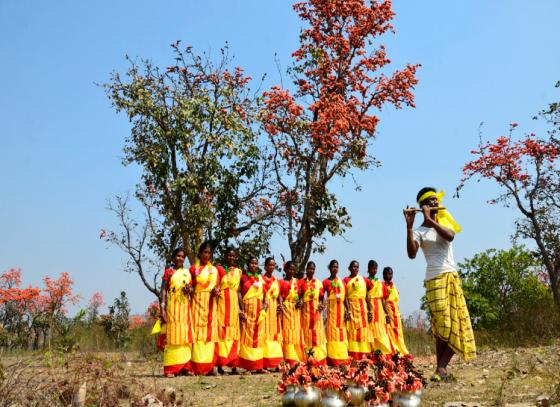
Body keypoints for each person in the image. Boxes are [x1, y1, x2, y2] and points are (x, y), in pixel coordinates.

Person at [404, 187, 476, 381]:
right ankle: (441, 368)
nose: (436, 203)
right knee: (442, 325)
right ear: (423, 206)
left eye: (436, 200)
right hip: (434, 280)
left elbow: (450, 236)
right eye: (431, 201)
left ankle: (440, 368)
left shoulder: (444, 224)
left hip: (451, 276)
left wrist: (432, 222)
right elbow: (411, 254)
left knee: (458, 323)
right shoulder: (419, 231)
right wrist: (410, 227)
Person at [189, 242, 223, 375]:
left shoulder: (214, 271)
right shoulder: (193, 269)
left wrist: (216, 292)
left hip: (211, 304)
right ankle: (196, 367)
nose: (207, 255)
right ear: (200, 253)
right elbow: (190, 286)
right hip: (197, 303)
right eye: (205, 252)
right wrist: (190, 290)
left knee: (210, 334)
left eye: (209, 253)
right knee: (197, 333)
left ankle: (210, 367)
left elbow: (217, 287)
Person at [160, 248, 194, 377]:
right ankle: (171, 369)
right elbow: (163, 290)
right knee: (173, 336)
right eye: (178, 256)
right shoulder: (168, 272)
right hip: (173, 307)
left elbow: (192, 291)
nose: (180, 258)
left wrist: (189, 290)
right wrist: (162, 307)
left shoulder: (187, 273)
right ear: (174, 257)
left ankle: (185, 367)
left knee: (185, 336)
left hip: (185, 307)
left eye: (182, 256)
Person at [238, 256, 268, 372]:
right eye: (252, 263)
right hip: (247, 310)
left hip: (259, 312)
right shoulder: (243, 278)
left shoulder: (260, 279)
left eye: (256, 263)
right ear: (248, 265)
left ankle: (259, 366)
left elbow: (265, 296)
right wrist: (241, 309)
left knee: (259, 337)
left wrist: (265, 305)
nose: (254, 265)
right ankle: (247, 367)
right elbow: (239, 293)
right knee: (247, 337)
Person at [216, 247, 242, 374]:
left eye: (234, 256)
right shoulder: (219, 269)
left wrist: (241, 309)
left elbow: (239, 292)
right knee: (222, 332)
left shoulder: (238, 272)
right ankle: (220, 366)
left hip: (234, 305)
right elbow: (215, 287)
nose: (231, 258)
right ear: (225, 256)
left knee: (234, 333)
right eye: (229, 255)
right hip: (222, 304)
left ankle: (234, 366)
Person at [343, 260, 373, 360]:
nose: (355, 268)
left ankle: (364, 354)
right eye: (353, 267)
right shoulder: (345, 280)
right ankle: (353, 355)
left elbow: (368, 295)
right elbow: (345, 296)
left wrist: (370, 309)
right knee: (352, 331)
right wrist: (347, 310)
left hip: (362, 307)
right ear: (349, 268)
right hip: (351, 307)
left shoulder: (364, 279)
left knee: (363, 330)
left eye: (357, 267)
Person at [300, 261, 327, 365]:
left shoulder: (318, 283)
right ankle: (308, 358)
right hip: (305, 313)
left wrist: (322, 305)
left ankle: (319, 358)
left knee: (318, 334)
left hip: (317, 313)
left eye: (313, 269)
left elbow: (322, 298)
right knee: (306, 334)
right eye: (309, 268)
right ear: (306, 269)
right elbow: (300, 296)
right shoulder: (301, 282)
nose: (311, 270)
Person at [322, 260, 349, 366]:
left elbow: (345, 297)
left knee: (341, 333)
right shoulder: (325, 282)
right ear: (329, 268)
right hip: (331, 311)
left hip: (341, 311)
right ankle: (332, 358)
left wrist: (348, 310)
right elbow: (321, 296)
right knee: (332, 333)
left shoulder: (342, 282)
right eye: (333, 267)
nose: (335, 269)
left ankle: (342, 357)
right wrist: (322, 305)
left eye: (336, 267)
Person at [280, 261, 305, 366]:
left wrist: (301, 301)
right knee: (287, 333)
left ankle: (297, 357)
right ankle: (288, 358)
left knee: (296, 333)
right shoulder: (281, 282)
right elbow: (280, 295)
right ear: (285, 270)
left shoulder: (298, 282)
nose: (291, 271)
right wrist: (281, 305)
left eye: (293, 269)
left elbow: (303, 293)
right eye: (289, 269)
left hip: (296, 310)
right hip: (286, 309)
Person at [366, 260, 393, 355]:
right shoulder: (365, 281)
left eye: (376, 268)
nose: (374, 270)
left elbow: (383, 299)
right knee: (371, 329)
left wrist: (386, 313)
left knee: (381, 329)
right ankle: (373, 351)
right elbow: (366, 296)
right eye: (372, 268)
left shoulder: (380, 283)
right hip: (370, 307)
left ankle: (384, 352)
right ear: (368, 269)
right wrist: (369, 310)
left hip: (380, 309)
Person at [262, 257, 284, 370]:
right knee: (266, 334)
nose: (272, 267)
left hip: (275, 311)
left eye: (273, 265)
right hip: (266, 310)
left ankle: (276, 363)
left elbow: (279, 295)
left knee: (275, 334)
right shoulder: (261, 279)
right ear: (265, 266)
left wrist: (280, 305)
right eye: (269, 265)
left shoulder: (276, 280)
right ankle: (265, 363)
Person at [381, 267, 408, 355]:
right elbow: (383, 300)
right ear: (384, 275)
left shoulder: (394, 286)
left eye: (391, 274)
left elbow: (397, 299)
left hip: (396, 311)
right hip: (388, 310)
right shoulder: (382, 285)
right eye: (388, 274)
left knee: (398, 332)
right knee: (389, 331)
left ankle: (400, 351)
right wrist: (386, 313)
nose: (390, 276)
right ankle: (392, 351)